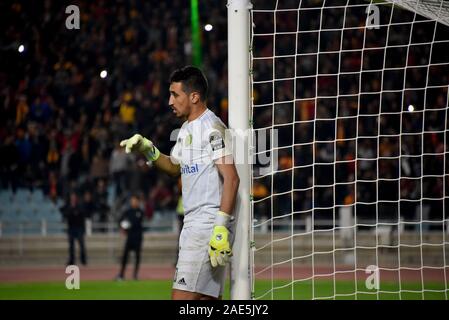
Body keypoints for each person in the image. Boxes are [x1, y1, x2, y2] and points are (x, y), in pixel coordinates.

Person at [120, 66, 240, 300]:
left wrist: (220, 227)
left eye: (175, 94)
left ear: (194, 96)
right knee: (205, 301)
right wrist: (147, 148)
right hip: (194, 223)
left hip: (206, 225)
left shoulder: (212, 128)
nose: (169, 101)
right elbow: (175, 167)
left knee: (182, 300)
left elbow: (232, 178)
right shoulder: (186, 130)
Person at [116, 194, 145, 281]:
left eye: (135, 200)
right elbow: (120, 220)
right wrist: (122, 227)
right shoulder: (128, 211)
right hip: (130, 237)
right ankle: (121, 275)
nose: (133, 202)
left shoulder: (140, 212)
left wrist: (128, 225)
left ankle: (135, 275)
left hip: (138, 237)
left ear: (138, 202)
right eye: (132, 200)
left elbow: (136, 222)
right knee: (125, 256)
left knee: (137, 257)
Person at [61, 192, 87, 266]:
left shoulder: (80, 206)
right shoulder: (68, 206)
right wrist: (72, 210)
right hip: (71, 228)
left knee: (81, 245)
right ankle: (71, 260)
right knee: (71, 246)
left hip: (79, 228)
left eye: (74, 197)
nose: (73, 199)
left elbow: (82, 215)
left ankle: (83, 260)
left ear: (76, 198)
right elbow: (66, 214)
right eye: (72, 197)